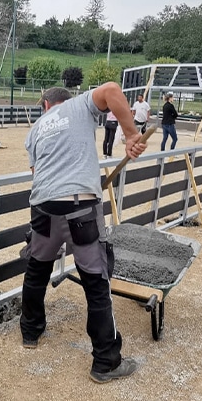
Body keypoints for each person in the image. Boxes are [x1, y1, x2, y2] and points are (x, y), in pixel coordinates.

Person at [21, 83, 147, 383]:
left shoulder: (36, 129)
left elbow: (39, 175)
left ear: (46, 105)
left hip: (43, 207)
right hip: (80, 207)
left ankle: (30, 332)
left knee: (37, 270)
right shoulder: (79, 105)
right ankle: (106, 362)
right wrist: (131, 135)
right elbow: (112, 90)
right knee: (96, 282)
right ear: (65, 100)